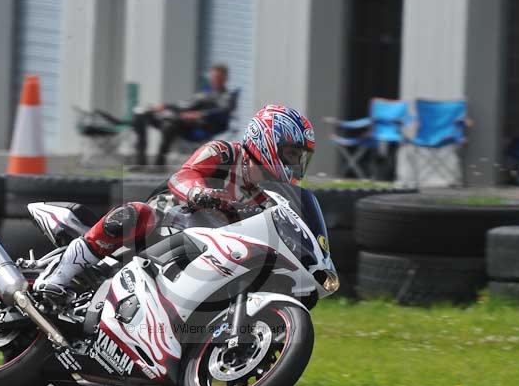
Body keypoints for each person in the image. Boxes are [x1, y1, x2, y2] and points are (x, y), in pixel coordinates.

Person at [34, 105, 316, 302]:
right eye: (291, 153)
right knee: (135, 213)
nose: (295, 163)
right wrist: (198, 193)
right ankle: (58, 276)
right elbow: (184, 175)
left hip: (206, 253)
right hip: (163, 228)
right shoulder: (222, 152)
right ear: (267, 140)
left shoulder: (267, 197)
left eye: (300, 157)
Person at [131, 63, 238, 171]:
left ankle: (160, 162)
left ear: (225, 79)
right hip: (184, 121)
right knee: (142, 115)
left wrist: (201, 114)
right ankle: (140, 160)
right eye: (213, 77)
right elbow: (186, 105)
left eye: (217, 77)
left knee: (170, 123)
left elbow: (223, 111)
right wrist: (165, 106)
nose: (214, 80)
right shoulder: (206, 93)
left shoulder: (228, 96)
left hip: (203, 126)